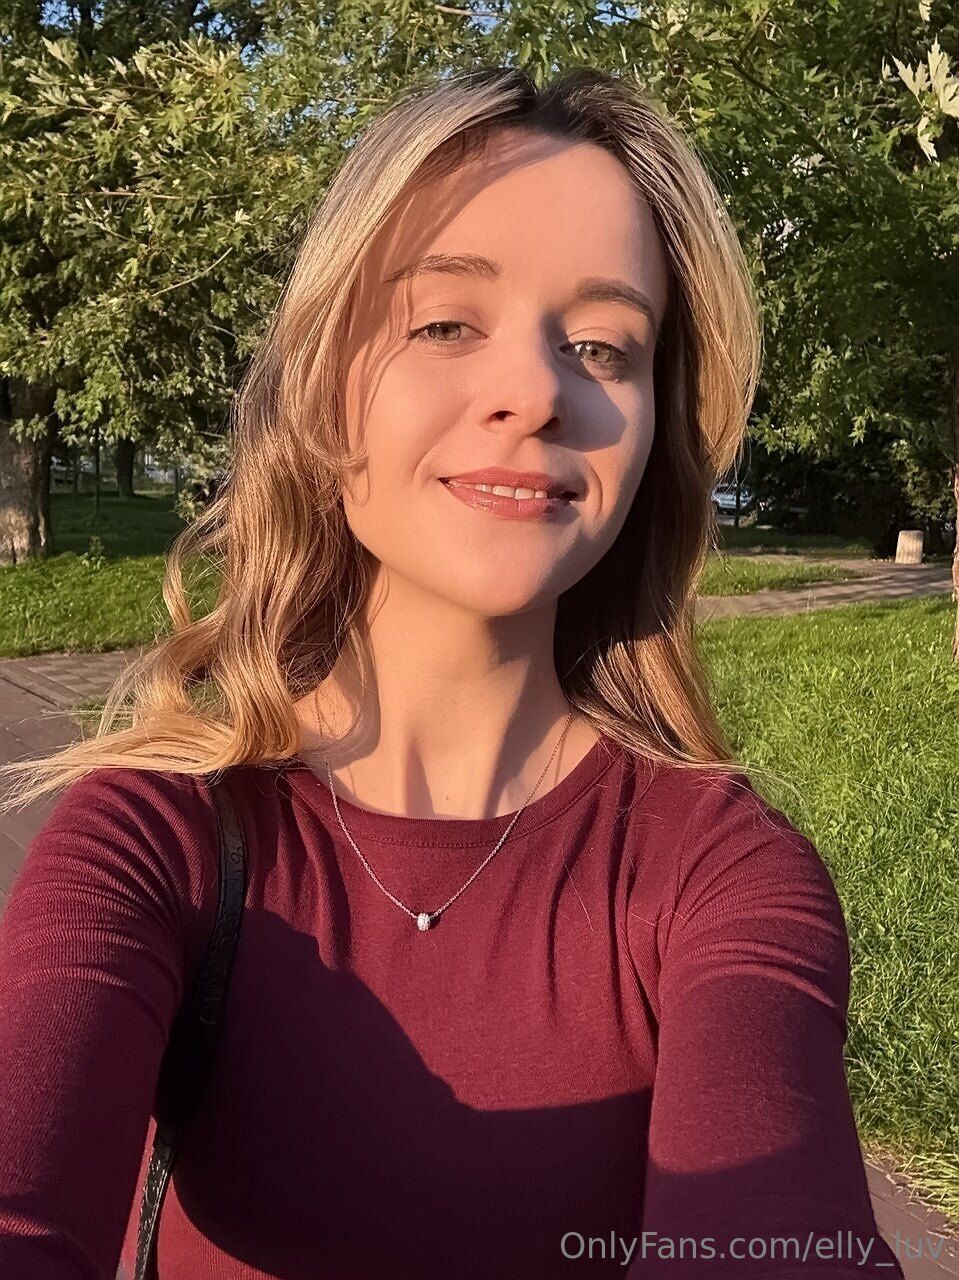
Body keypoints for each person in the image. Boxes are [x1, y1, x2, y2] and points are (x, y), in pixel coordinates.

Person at [0, 66, 905, 1279]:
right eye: (443, 323)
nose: (534, 393)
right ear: (324, 386)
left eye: (602, 346)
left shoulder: (719, 878)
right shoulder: (151, 841)